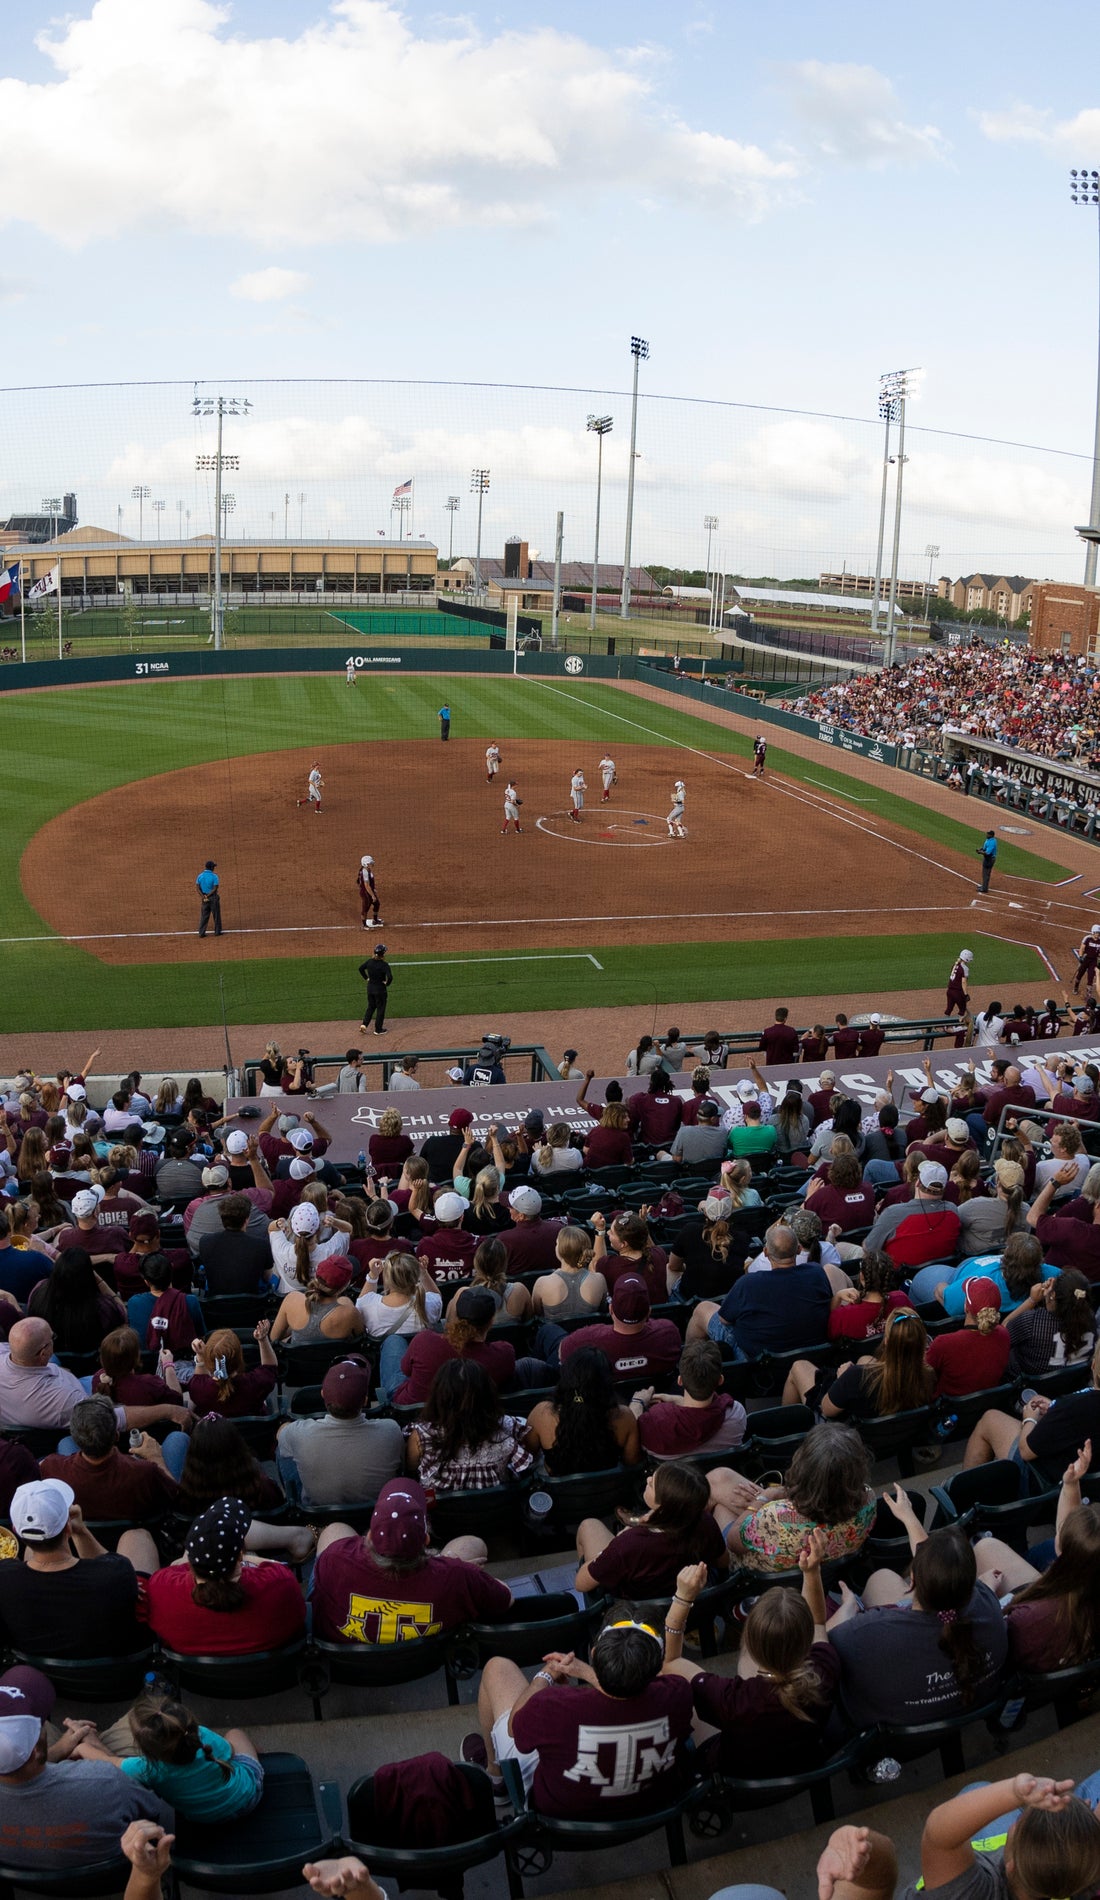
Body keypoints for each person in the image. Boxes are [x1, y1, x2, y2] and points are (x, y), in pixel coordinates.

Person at [473, 1611, 694, 1819]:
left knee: (497, 1667)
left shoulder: (551, 1705)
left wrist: (546, 1675)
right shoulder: (678, 1693)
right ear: (657, 1667)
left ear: (594, 1653)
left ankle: (496, 1778)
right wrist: (585, 1672)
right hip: (649, 1807)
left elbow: (515, 1728)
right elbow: (631, 1695)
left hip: (557, 1818)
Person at [665, 1542, 840, 1780]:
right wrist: (812, 1572)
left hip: (735, 1779)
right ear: (806, 1641)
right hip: (801, 1765)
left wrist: (682, 1598)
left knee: (684, 1703)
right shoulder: (824, 1669)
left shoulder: (732, 1699)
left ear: (749, 1642)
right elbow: (819, 1623)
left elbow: (671, 1662)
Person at [828, 1514, 1007, 1731]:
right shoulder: (988, 1606)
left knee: (881, 1578)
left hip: (893, 1737)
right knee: (883, 1578)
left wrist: (848, 1606)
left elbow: (820, 1646)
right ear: (970, 1584)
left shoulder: (867, 1632)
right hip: (966, 1712)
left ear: (912, 1580)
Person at [311, 1477, 512, 1644]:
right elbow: (506, 1598)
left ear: (369, 1536)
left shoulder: (335, 1558)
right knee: (472, 1544)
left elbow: (318, 1599)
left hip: (349, 1662)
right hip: (423, 1663)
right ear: (426, 1540)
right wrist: (460, 1570)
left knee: (334, 1529)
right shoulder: (456, 1575)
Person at [0, 1691, 172, 1873]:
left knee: (51, 1729)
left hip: (29, 1880)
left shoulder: (102, 1778)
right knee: (155, 1705)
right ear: (36, 1752)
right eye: (38, 1726)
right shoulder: (107, 1779)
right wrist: (99, 1751)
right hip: (116, 1876)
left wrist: (60, 1749)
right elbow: (154, 1805)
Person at [0, 1479, 151, 1658]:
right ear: (67, 1527)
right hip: (113, 1670)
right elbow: (109, 1564)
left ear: (15, 1530)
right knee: (137, 1537)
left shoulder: (5, 1577)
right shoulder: (117, 1574)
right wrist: (81, 1531)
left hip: (38, 1669)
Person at [145, 1495, 305, 1655]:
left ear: (191, 1561)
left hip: (191, 1671)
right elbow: (278, 1571)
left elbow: (176, 1566)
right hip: (271, 1669)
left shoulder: (160, 1588)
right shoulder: (281, 1584)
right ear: (240, 1556)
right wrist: (249, 1558)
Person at [75, 1688, 264, 1822]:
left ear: (145, 1748)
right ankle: (261, 1758)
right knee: (235, 1734)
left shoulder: (145, 1768)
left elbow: (109, 1761)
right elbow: (228, 1751)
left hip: (203, 1818)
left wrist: (81, 1747)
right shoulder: (204, 1736)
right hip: (248, 1796)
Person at [719, 1425, 876, 1574]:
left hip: (767, 1579)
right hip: (833, 1572)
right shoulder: (868, 1499)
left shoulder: (774, 1516)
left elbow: (733, 1543)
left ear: (804, 1465)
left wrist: (765, 1498)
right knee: (723, 1478)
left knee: (720, 1506)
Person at [575, 1458, 727, 1597]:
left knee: (588, 1525)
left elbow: (581, 1584)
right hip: (689, 1604)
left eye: (652, 1484)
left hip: (636, 1609)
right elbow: (722, 1561)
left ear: (664, 1505)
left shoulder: (628, 1544)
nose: (648, 1479)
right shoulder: (705, 1521)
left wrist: (610, 1548)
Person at [687, 1222, 831, 1362]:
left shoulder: (749, 1283)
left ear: (766, 1252)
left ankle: (688, 1366)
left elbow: (724, 1319)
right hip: (811, 1355)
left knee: (702, 1309)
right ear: (798, 1249)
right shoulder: (816, 1272)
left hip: (756, 1361)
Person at [276, 1357, 403, 1510]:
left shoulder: (299, 1433)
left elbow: (281, 1435)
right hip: (374, 1513)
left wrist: (286, 1427)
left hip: (319, 1514)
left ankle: (298, 1506)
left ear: (323, 1394)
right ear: (365, 1400)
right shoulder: (391, 1430)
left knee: (282, 1448)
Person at [42, 1393, 183, 1515]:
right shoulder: (146, 1472)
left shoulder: (51, 1467)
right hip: (136, 1529)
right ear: (116, 1436)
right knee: (177, 1438)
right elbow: (175, 1495)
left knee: (65, 1443)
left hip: (84, 1525)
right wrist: (155, 1457)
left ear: (77, 1439)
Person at [407, 1359, 533, 1492]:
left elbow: (410, 1469)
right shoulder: (507, 1426)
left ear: (439, 1396)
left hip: (438, 1505)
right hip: (499, 1504)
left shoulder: (422, 1435)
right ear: (488, 1395)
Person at [392, 1287, 518, 1406]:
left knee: (393, 1340)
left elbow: (406, 1370)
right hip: (470, 1414)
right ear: (491, 1321)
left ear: (457, 1314)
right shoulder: (505, 1354)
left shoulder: (424, 1340)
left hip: (413, 1412)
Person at [525, 1348, 640, 1473]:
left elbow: (525, 1458)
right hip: (611, 1485)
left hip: (555, 1484)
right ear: (607, 1382)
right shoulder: (625, 1417)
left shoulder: (542, 1413)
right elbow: (632, 1462)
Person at [633, 1338, 747, 1459]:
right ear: (720, 1380)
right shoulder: (736, 1414)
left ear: (680, 1381)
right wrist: (678, 1400)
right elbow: (700, 1415)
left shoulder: (653, 1424)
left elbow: (633, 1434)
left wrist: (637, 1402)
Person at [556, 1274, 681, 1383]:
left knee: (550, 1331)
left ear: (611, 1310)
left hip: (605, 1400)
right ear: (649, 1312)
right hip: (653, 1395)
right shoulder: (669, 1333)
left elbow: (562, 1352)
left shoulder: (584, 1339)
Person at [27, 1245, 126, 1352]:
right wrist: (100, 1282)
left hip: (50, 1358)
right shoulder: (102, 1307)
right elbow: (123, 1315)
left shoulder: (39, 1291)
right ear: (89, 1275)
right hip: (91, 1361)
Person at [926, 1275, 1010, 1399]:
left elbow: (923, 1376)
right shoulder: (1004, 1335)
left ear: (966, 1306)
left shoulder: (943, 1343)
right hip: (988, 1403)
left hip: (949, 1408)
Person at [1005, 1268, 1095, 1377]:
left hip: (1030, 1383)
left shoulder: (1032, 1322)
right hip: (1074, 1381)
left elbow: (1003, 1332)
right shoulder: (1091, 1319)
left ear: (1054, 1295)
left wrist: (1032, 1300)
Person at [271, 1255, 365, 1348]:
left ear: (316, 1276)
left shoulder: (292, 1300)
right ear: (344, 1286)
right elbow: (361, 1339)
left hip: (296, 1358)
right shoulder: (350, 1313)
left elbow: (273, 1338)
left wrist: (295, 1324)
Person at [188, 1323, 279, 1417]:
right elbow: (270, 1367)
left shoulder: (198, 1389)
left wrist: (200, 1355)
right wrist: (263, 1340)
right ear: (240, 1358)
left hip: (215, 1427)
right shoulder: (257, 1383)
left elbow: (199, 1379)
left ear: (209, 1360)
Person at [357, 942, 393, 1037]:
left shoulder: (370, 962)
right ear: (383, 954)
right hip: (380, 990)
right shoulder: (384, 965)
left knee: (371, 1007)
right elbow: (390, 977)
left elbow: (360, 968)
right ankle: (378, 1029)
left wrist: (367, 978)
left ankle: (364, 1024)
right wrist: (387, 984)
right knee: (380, 1009)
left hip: (370, 988)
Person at [195, 861, 221, 939]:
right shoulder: (214, 876)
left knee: (204, 916)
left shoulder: (200, 876)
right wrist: (208, 895)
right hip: (213, 898)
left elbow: (197, 888)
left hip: (204, 898)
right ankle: (217, 932)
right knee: (216, 915)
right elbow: (215, 888)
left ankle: (201, 933)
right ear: (211, 868)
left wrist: (203, 896)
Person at [357, 855, 382, 930]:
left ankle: (375, 920)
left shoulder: (367, 870)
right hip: (366, 893)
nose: (371, 864)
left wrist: (373, 890)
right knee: (365, 909)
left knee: (377, 904)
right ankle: (364, 925)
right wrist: (373, 895)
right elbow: (367, 885)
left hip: (370, 891)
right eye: (369, 863)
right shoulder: (365, 872)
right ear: (365, 864)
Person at [977, 826, 998, 891]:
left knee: (986, 874)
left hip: (990, 859)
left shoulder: (992, 842)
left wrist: (980, 852)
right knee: (984, 873)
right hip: (987, 858)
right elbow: (985, 848)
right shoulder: (988, 840)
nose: (987, 835)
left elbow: (988, 853)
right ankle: (984, 886)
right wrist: (981, 849)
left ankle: (984, 889)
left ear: (991, 835)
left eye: (988, 834)